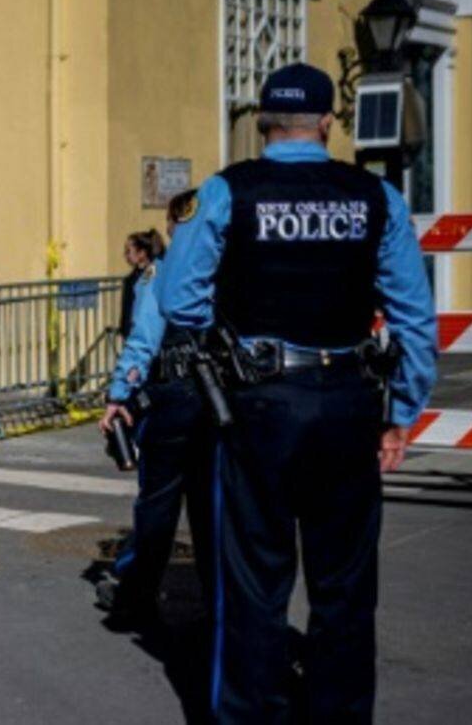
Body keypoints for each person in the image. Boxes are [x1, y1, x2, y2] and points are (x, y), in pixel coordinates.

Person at [158, 63, 436, 724]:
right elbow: (415, 318)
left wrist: (230, 332)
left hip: (259, 401)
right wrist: (401, 414)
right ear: (328, 124)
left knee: (254, 582)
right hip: (347, 399)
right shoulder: (375, 197)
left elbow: (178, 297)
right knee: (344, 587)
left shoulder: (228, 191)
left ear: (261, 123)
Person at [95, 193, 213, 628]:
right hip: (218, 400)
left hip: (173, 397)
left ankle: (136, 601)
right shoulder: (228, 269)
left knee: (158, 507)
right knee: (211, 509)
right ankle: (219, 605)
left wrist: (117, 396)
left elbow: (143, 341)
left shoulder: (162, 274)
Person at [118, 229, 165, 338]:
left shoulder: (151, 271)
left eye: (128, 251)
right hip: (132, 332)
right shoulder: (132, 278)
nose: (126, 255)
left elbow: (142, 299)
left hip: (144, 332)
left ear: (142, 253)